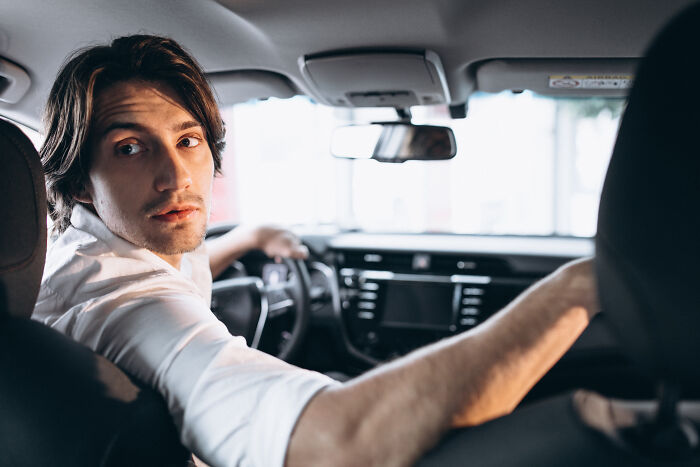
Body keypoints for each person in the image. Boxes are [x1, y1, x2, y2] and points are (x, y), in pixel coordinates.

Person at [33, 34, 599, 467]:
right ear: (80, 181)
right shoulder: (124, 304)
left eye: (188, 140)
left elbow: (184, 269)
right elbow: (341, 443)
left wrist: (252, 237)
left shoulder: (85, 250)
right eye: (130, 148)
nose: (175, 177)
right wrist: (582, 284)